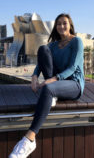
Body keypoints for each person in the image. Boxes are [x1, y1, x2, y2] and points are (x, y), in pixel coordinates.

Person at [9, 13, 85, 158]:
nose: (61, 26)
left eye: (64, 23)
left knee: (48, 88)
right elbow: (40, 64)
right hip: (57, 81)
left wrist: (54, 79)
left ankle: (29, 139)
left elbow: (73, 67)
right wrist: (34, 76)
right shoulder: (53, 45)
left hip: (74, 83)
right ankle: (53, 95)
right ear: (55, 27)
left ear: (70, 25)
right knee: (43, 49)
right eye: (58, 24)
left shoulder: (77, 42)